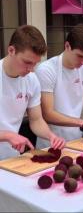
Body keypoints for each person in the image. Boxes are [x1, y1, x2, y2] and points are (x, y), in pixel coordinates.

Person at [35, 24, 83, 149]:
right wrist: (82, 122)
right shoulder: (47, 70)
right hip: (51, 143)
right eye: (80, 56)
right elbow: (48, 113)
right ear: (67, 46)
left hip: (76, 141)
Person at [0, 25, 65, 160]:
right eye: (27, 62)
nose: (31, 69)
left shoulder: (32, 80)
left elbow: (36, 120)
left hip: (11, 158)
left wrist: (50, 135)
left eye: (35, 64)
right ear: (11, 50)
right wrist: (7, 135)